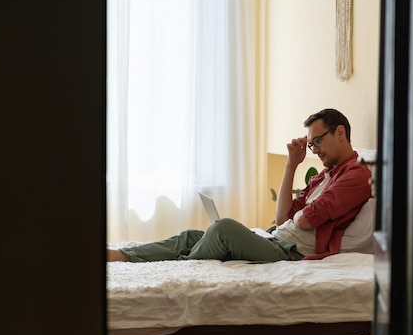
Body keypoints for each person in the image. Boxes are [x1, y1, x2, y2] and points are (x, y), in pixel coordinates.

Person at [107, 108, 372, 263]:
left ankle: (186, 265)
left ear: (340, 133)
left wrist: (297, 218)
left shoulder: (356, 175)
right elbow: (282, 218)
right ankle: (123, 256)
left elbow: (309, 219)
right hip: (277, 238)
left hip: (290, 251)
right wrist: (291, 165)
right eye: (311, 143)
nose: (314, 150)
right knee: (191, 235)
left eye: (317, 141)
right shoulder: (324, 175)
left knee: (223, 229)